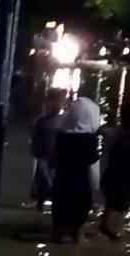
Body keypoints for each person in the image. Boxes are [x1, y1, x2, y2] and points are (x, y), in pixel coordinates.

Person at [51, 96, 102, 243]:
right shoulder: (89, 141)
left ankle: (57, 236)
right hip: (81, 187)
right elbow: (93, 166)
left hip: (61, 184)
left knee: (59, 220)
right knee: (78, 224)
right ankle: (76, 244)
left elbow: (54, 159)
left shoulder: (62, 137)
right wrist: (95, 187)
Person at [98, 100, 130, 239]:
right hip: (128, 181)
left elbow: (100, 131)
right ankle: (113, 236)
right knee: (120, 210)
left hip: (110, 177)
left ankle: (106, 227)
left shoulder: (113, 134)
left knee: (110, 204)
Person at [30, 89, 67, 210]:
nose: (57, 105)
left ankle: (50, 204)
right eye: (54, 101)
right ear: (47, 103)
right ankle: (41, 204)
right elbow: (34, 139)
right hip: (44, 155)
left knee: (54, 183)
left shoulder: (64, 120)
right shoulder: (41, 121)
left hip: (57, 157)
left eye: (60, 101)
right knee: (43, 182)